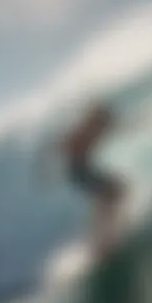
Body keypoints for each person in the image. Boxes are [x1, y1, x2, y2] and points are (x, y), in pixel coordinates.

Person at [59, 102, 125, 258]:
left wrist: (141, 122)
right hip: (79, 173)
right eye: (103, 121)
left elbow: (118, 127)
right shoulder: (83, 132)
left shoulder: (97, 128)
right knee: (111, 194)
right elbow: (64, 145)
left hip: (84, 170)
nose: (104, 126)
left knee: (114, 193)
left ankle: (103, 237)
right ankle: (100, 240)